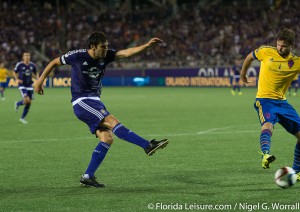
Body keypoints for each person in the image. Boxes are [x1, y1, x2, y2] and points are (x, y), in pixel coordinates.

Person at [35, 31, 169, 188]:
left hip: (96, 101)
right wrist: (40, 81)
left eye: (107, 47)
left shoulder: (106, 56)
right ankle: (147, 145)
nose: (106, 50)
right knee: (112, 121)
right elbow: (54, 62)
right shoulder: (77, 56)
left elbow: (125, 53)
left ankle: (88, 176)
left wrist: (146, 46)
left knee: (107, 138)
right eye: (103, 47)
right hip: (82, 100)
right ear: (92, 46)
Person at [240, 29, 300, 180]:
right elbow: (249, 57)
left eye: (284, 46)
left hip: (282, 102)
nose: (279, 48)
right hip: (264, 99)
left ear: (291, 45)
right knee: (268, 125)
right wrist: (243, 74)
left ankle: (297, 171)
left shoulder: (297, 62)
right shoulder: (266, 51)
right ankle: (266, 154)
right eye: (278, 45)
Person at [13, 52, 39, 124]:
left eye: (28, 55)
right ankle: (19, 104)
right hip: (22, 85)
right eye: (25, 55)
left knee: (29, 103)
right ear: (23, 57)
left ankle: (21, 115)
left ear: (30, 57)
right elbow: (14, 72)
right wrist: (16, 79)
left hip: (29, 85)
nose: (27, 57)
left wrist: (39, 80)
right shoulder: (19, 65)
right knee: (27, 100)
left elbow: (36, 73)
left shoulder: (32, 65)